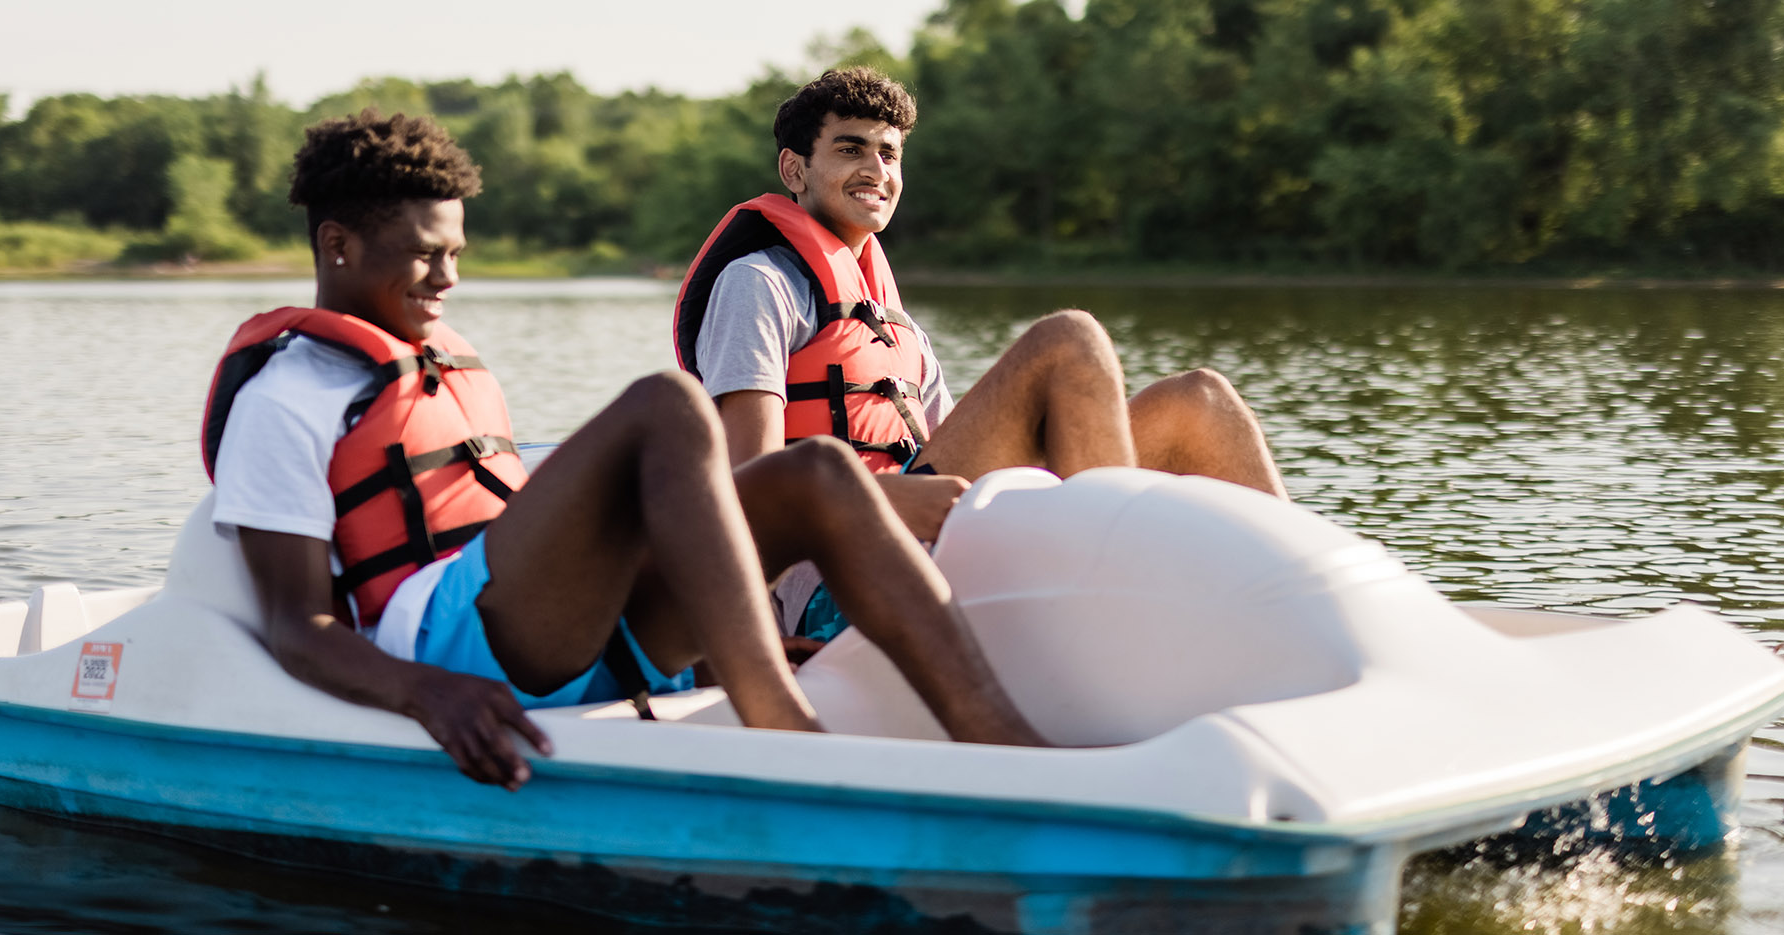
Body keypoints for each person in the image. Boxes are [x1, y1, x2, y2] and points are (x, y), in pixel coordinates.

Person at [207, 110, 1045, 791]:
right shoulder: (288, 397)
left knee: (816, 472)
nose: (447, 278)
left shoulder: (443, 364)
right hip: (443, 646)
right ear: (337, 245)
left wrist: (729, 638)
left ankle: (1016, 756)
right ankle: (789, 735)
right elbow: (297, 624)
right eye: (425, 254)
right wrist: (429, 691)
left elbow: (526, 536)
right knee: (666, 405)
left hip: (556, 627)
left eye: (456, 252)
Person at [674, 67, 1289, 636]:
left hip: (938, 539)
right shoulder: (758, 284)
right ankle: (1114, 610)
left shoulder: (892, 321)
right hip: (834, 582)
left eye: (889, 153)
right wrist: (884, 500)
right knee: (1069, 340)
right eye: (849, 148)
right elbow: (744, 487)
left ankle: (1305, 600)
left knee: (1200, 400)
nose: (875, 170)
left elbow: (946, 457)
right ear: (794, 170)